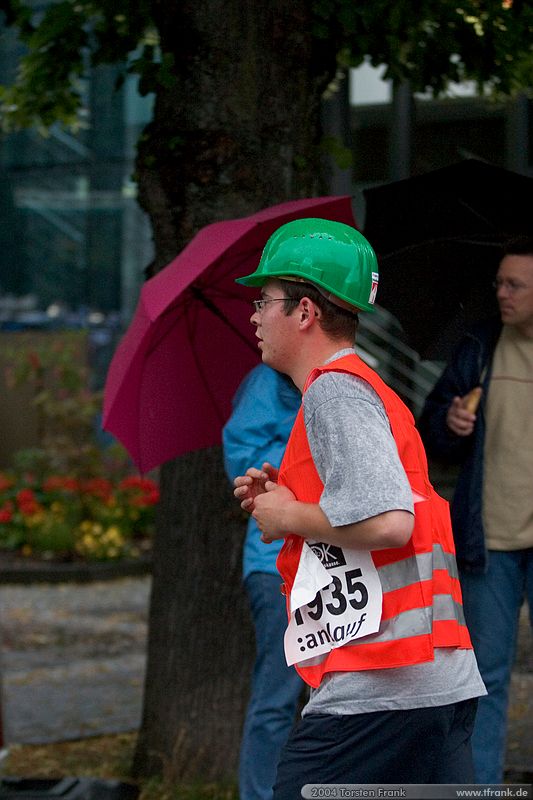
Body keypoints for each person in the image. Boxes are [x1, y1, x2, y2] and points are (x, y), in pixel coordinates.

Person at [231, 218, 486, 797]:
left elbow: (390, 521)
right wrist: (288, 500)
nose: (254, 316)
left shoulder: (334, 391)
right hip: (430, 679)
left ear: (304, 312)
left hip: (380, 687)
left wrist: (287, 517)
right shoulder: (357, 389)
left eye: (264, 300)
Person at [418, 235, 533, 785]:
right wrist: (450, 421)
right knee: (484, 678)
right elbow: (432, 426)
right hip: (490, 544)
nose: (502, 293)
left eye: (515, 285)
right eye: (499, 283)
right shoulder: (481, 346)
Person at [222, 363, 303, 800]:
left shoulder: (338, 380)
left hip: (331, 564)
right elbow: (245, 468)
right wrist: (302, 467)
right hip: (276, 566)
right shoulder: (267, 382)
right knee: (278, 697)